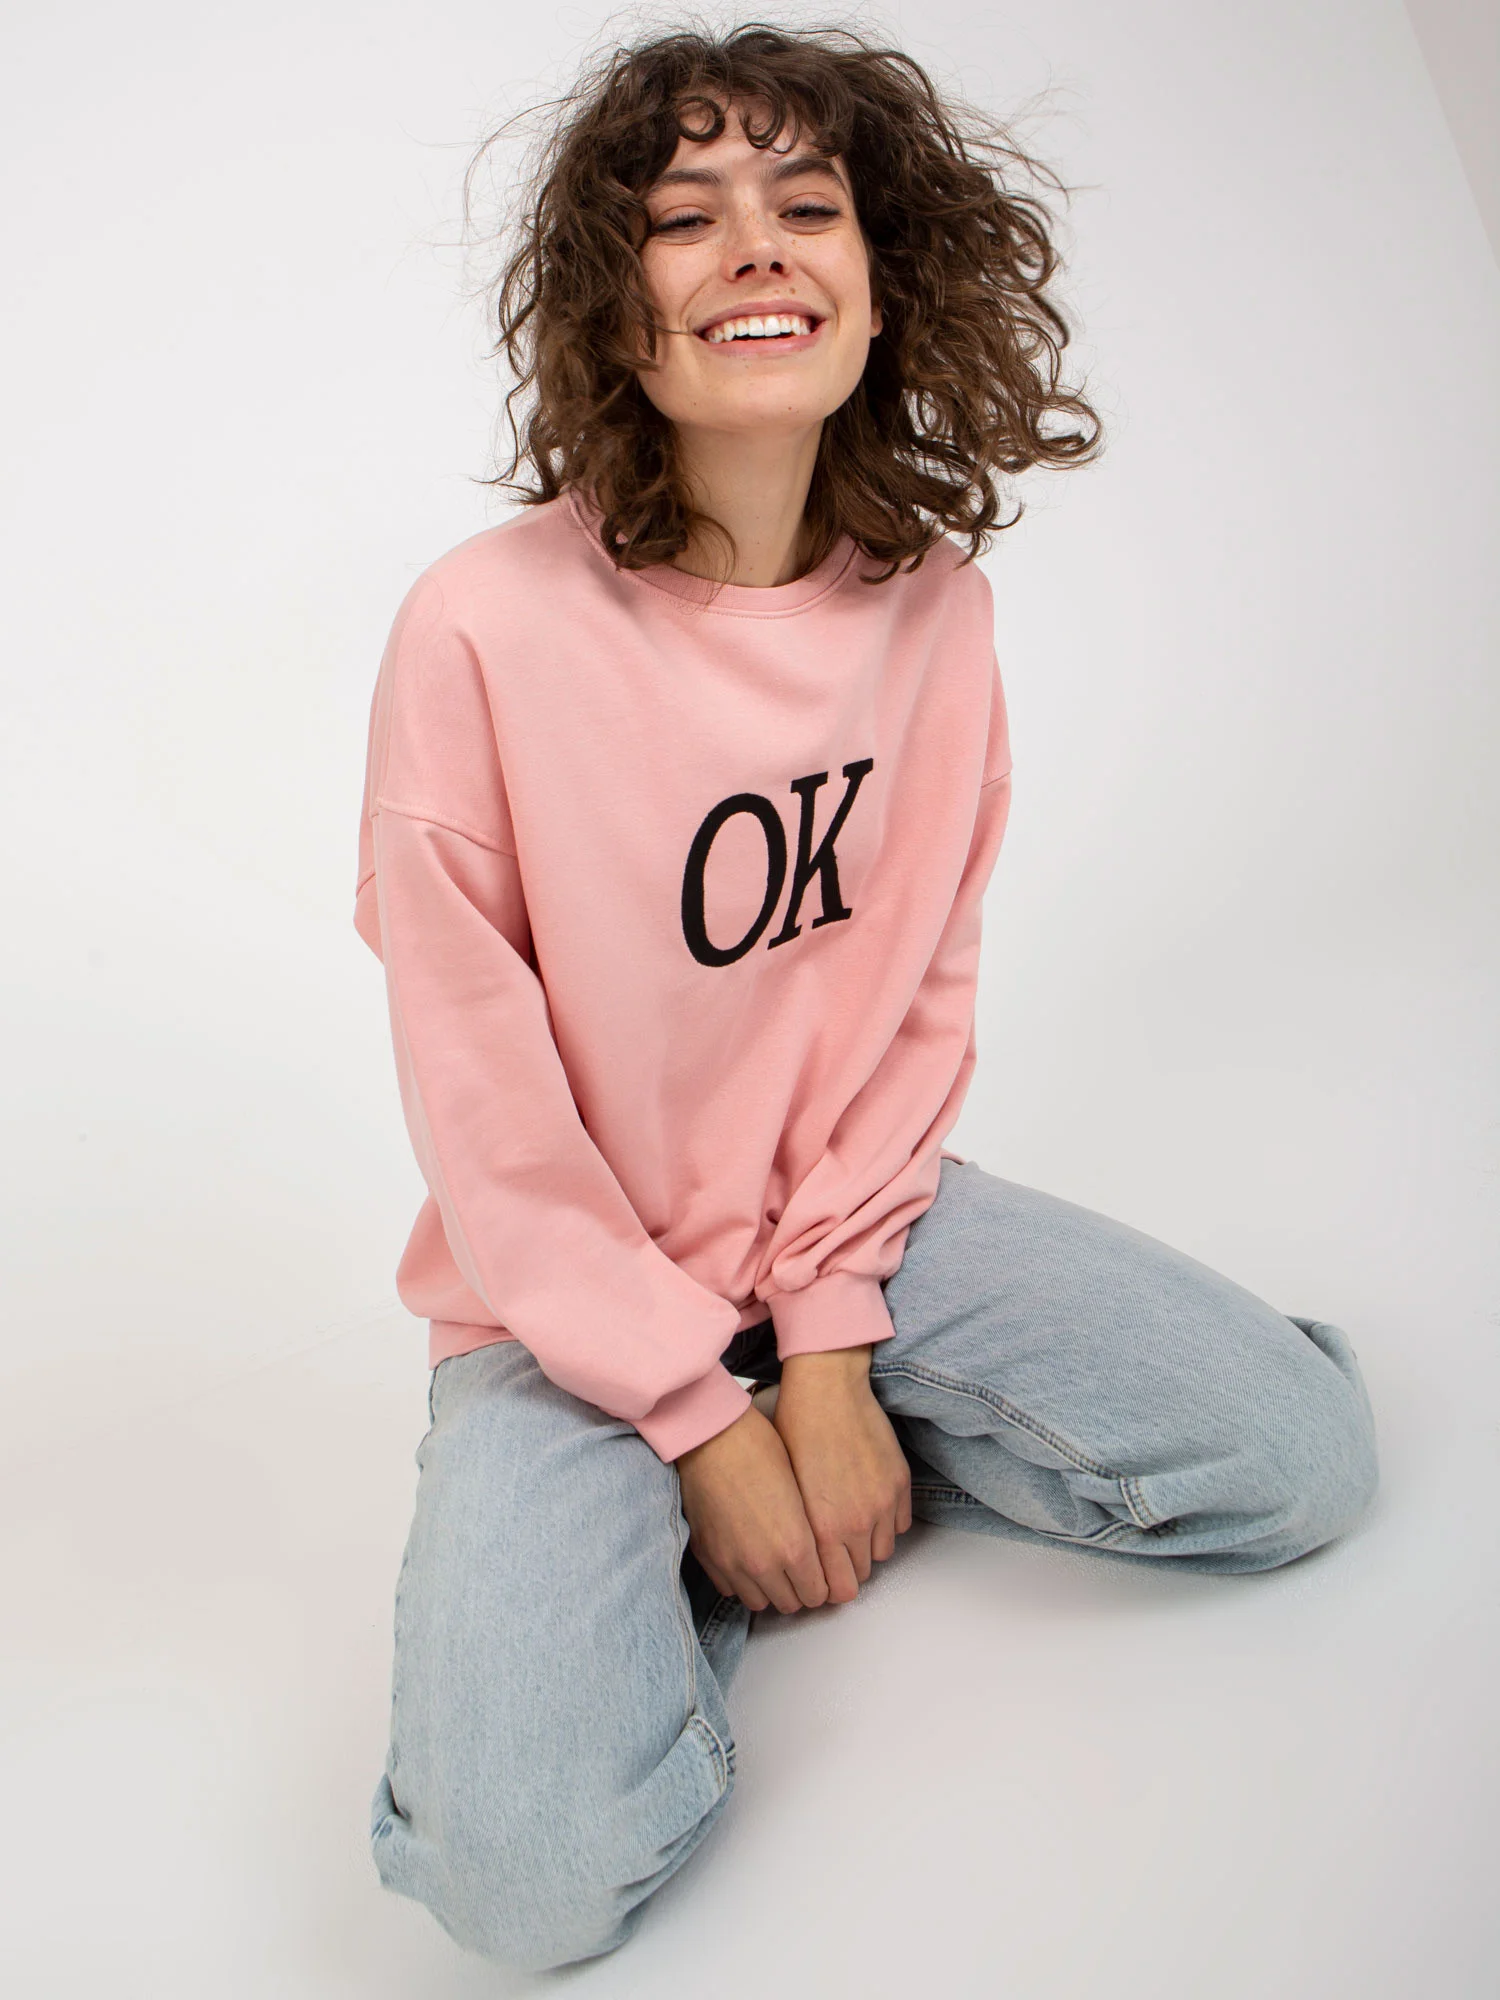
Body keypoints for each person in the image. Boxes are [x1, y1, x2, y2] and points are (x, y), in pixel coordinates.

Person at [352, 21, 1380, 1975]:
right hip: (566, 1309)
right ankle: (669, 1559)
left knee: (1303, 1460)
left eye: (807, 205)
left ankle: (855, 1435)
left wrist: (824, 1348)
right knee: (523, 1886)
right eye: (686, 217)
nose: (757, 244)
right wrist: (701, 1419)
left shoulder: (936, 612)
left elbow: (917, 998)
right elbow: (481, 1104)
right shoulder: (480, 627)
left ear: (886, 276)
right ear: (616, 307)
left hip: (857, 1222)